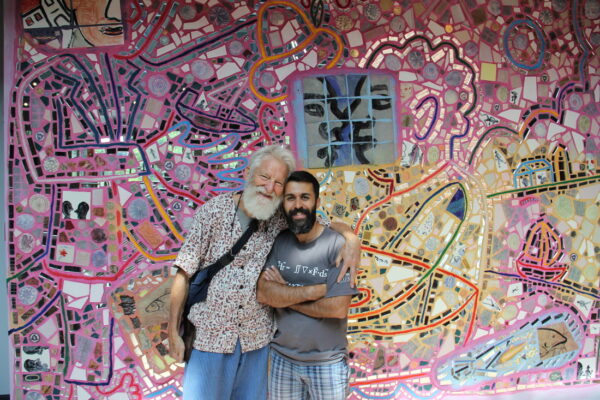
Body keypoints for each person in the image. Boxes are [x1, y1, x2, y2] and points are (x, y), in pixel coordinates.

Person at [168, 145, 360, 400]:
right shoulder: (213, 211)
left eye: (279, 183)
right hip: (210, 338)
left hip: (255, 342)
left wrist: (351, 238)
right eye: (264, 177)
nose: (269, 188)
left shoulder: (279, 217)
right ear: (249, 173)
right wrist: (172, 333)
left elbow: (322, 224)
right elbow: (183, 273)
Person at [257, 171, 358, 400]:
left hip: (327, 363)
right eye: (290, 198)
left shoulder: (337, 245)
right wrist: (317, 291)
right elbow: (264, 294)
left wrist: (285, 297)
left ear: (317, 202)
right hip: (282, 360)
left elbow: (337, 308)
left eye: (305, 197)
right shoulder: (279, 241)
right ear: (283, 204)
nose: (298, 205)